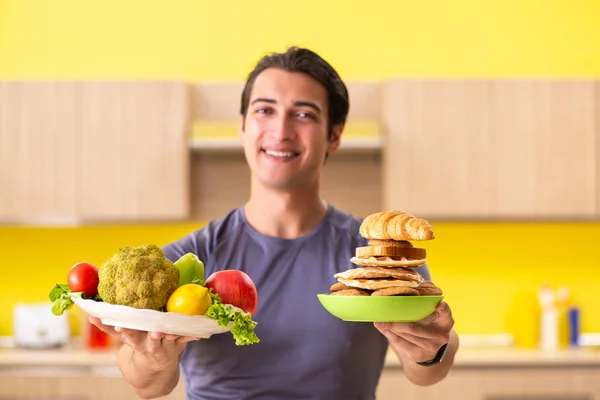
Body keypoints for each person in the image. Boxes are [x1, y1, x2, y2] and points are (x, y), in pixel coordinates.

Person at [90, 46, 459, 400]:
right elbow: (145, 385)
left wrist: (430, 349)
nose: (281, 130)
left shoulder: (377, 258)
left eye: (304, 114)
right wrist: (152, 359)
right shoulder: (190, 258)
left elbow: (429, 367)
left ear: (334, 134)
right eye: (264, 110)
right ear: (243, 127)